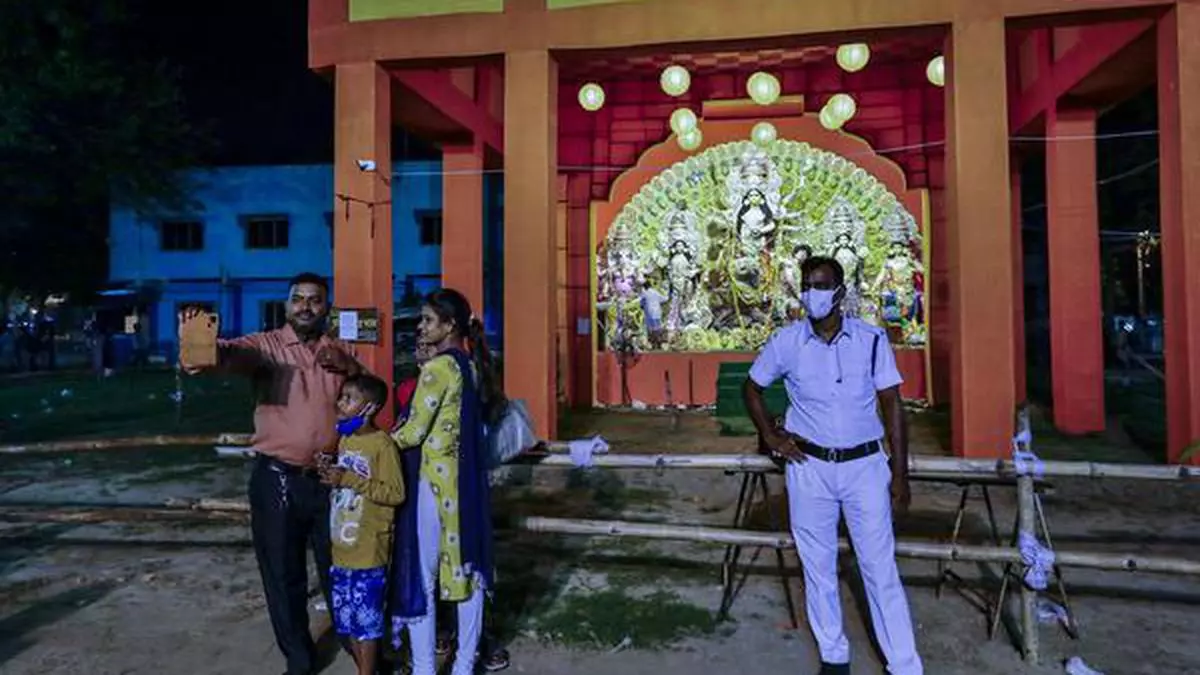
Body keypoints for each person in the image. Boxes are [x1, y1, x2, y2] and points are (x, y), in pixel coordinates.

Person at [742, 255, 922, 675]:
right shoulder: (787, 341)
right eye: (806, 285)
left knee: (879, 565)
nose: (811, 294)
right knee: (817, 565)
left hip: (865, 466)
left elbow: (892, 405)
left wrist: (900, 474)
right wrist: (771, 435)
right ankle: (834, 658)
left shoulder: (871, 339)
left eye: (820, 286)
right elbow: (752, 388)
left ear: (840, 292)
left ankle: (904, 664)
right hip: (810, 467)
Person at [179, 271, 364, 675]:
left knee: (344, 572)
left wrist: (350, 365)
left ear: (326, 307)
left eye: (314, 300)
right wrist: (200, 343)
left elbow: (369, 397)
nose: (305, 306)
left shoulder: (341, 349)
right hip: (276, 480)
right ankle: (299, 660)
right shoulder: (266, 347)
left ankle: (360, 650)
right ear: (286, 304)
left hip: (332, 481)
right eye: (297, 298)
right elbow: (227, 356)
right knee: (284, 576)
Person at [387, 288, 501, 675]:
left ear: (449, 325)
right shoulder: (467, 364)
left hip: (433, 488)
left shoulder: (439, 368)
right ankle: (464, 666)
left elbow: (414, 431)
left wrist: (374, 444)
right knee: (466, 572)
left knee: (421, 578)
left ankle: (423, 668)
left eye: (428, 320)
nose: (420, 328)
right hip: (463, 485)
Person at [318, 374, 406, 675]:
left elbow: (395, 493)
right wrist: (331, 476)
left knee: (367, 624)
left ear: (369, 408)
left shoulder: (382, 445)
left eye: (349, 398)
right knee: (347, 623)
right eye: (342, 396)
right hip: (342, 549)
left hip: (369, 550)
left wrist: (349, 479)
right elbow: (345, 486)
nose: (340, 403)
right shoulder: (345, 440)